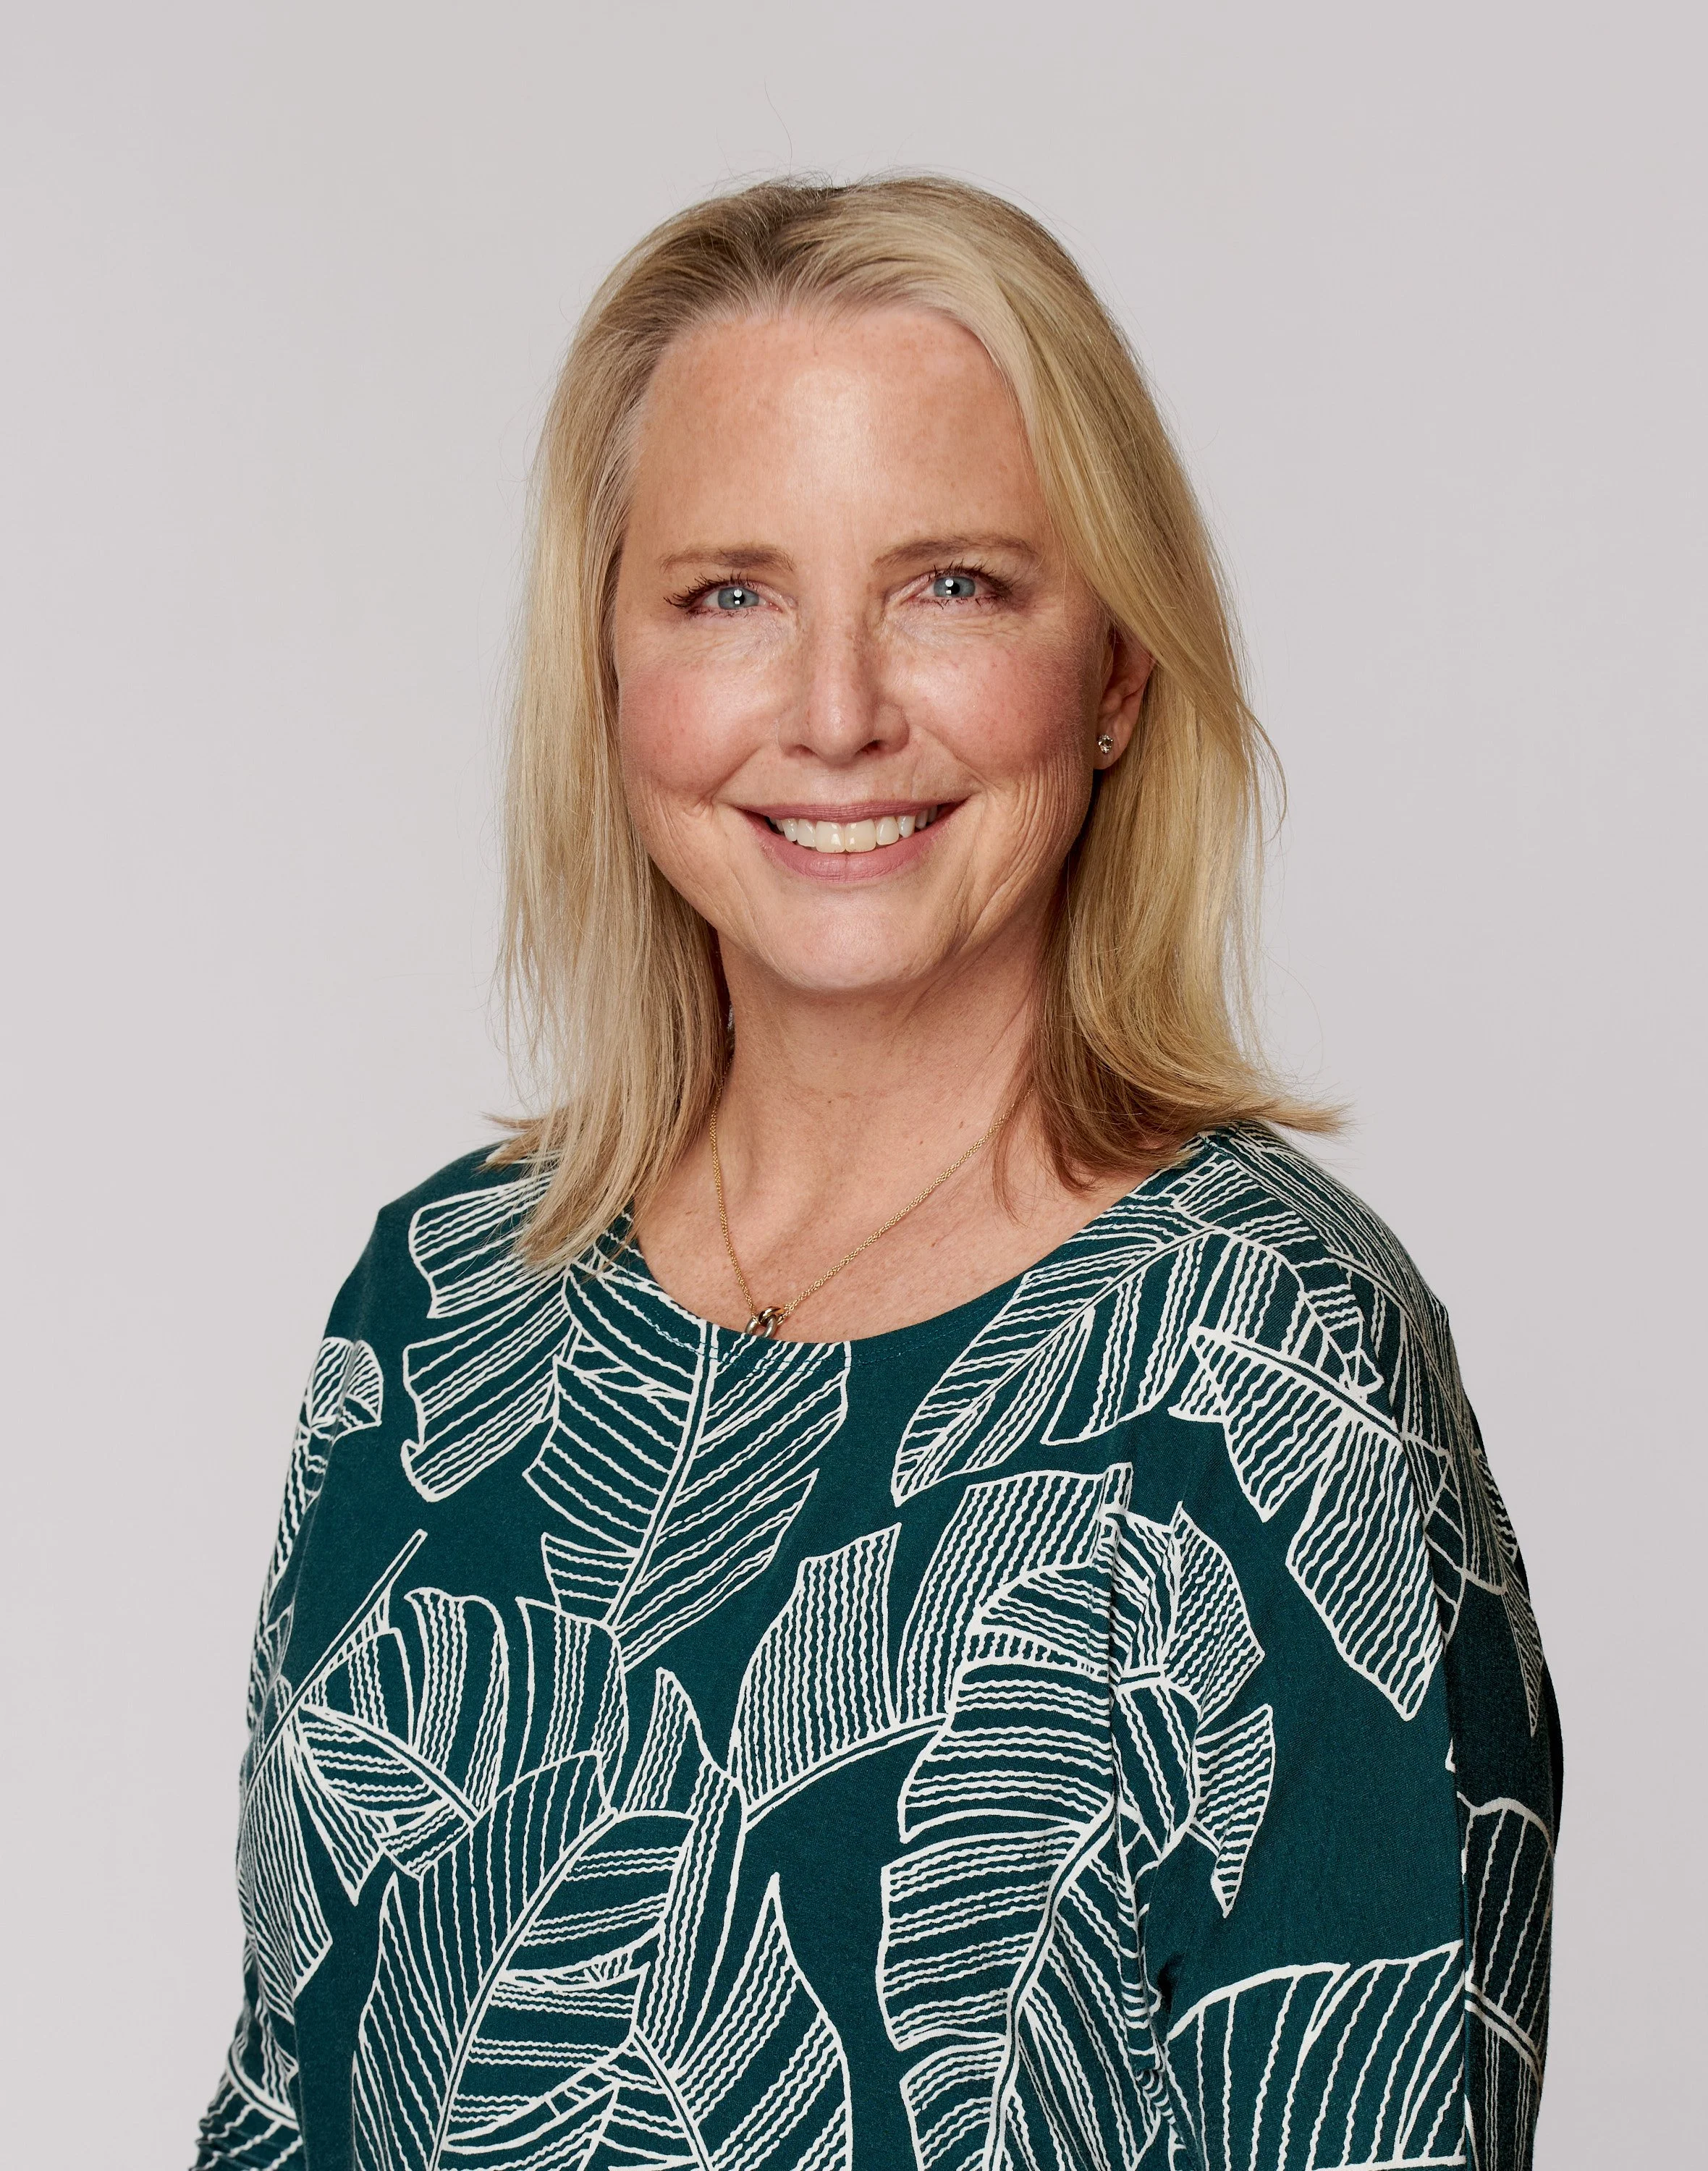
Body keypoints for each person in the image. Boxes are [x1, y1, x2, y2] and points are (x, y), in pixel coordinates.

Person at [194, 177, 1560, 2171]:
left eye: (956, 586)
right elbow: (278, 2104)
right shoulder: (439, 1308)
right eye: (730, 595)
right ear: (607, 675)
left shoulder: (1268, 1369)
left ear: (1115, 673)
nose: (836, 713)